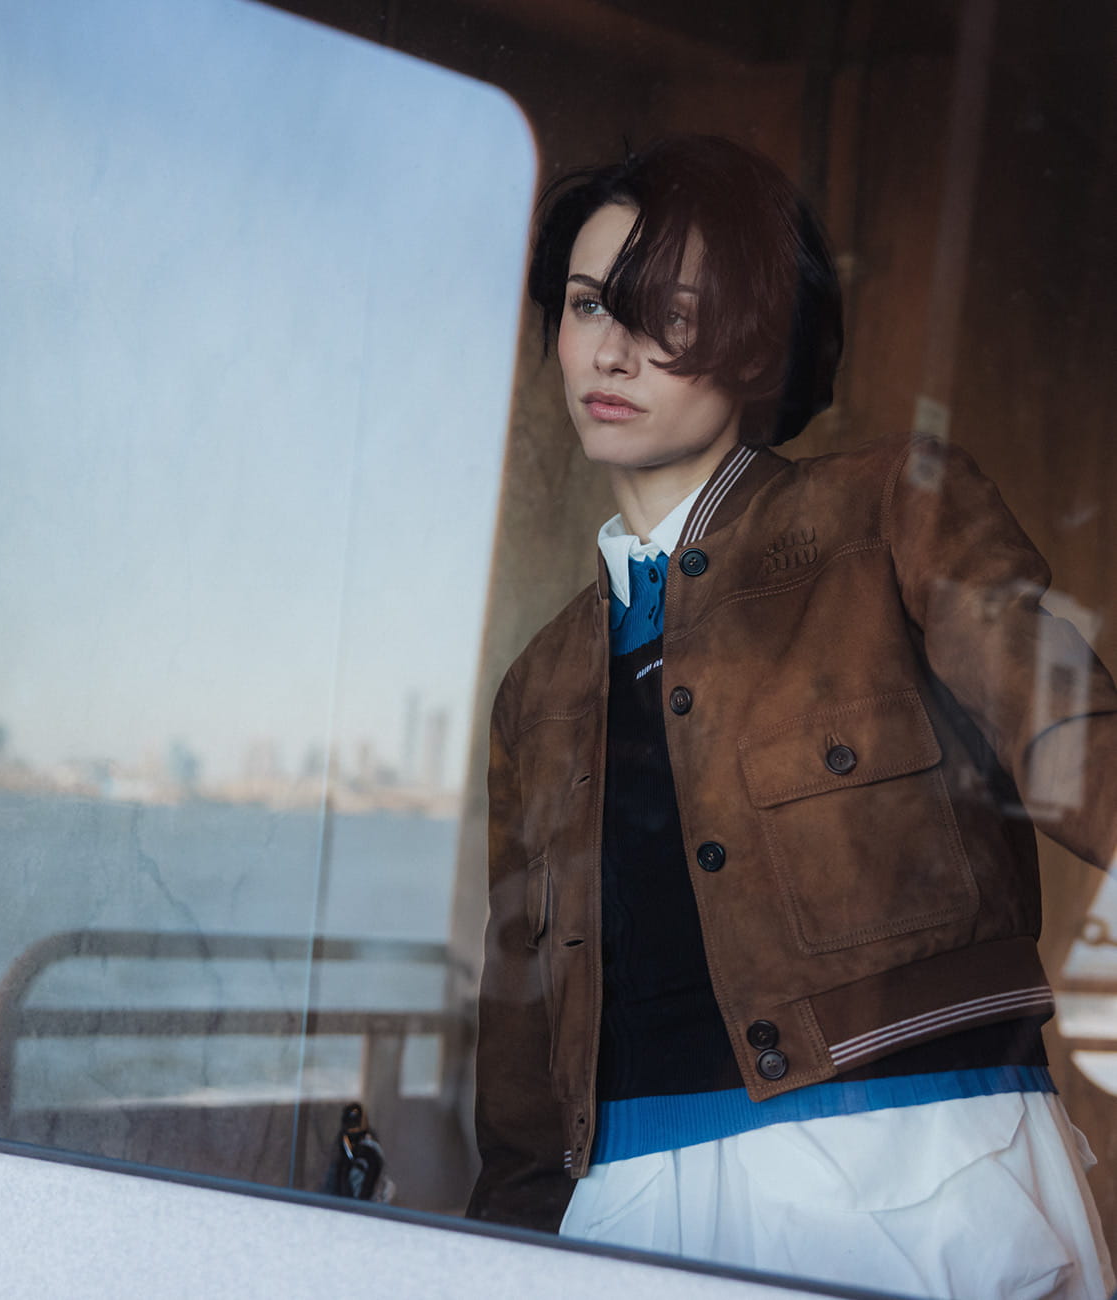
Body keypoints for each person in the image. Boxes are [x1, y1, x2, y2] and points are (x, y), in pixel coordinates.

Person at [466, 135, 1117, 1298]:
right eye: (580, 305)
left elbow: (1074, 745)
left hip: (910, 1169)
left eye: (661, 308)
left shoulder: (890, 512)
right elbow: (520, 1035)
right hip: (625, 1206)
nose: (608, 348)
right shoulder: (541, 682)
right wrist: (499, 1249)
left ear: (754, 336)